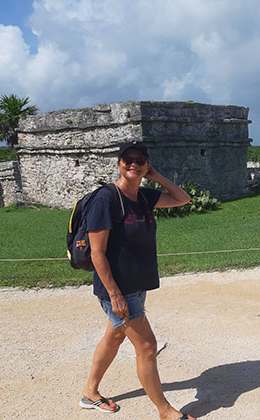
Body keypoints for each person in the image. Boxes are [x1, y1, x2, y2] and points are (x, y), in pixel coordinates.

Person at [79, 141, 197, 420]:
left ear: (146, 164)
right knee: (146, 346)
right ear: (119, 163)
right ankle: (165, 411)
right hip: (117, 288)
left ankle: (89, 393)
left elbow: (182, 198)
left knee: (115, 334)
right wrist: (115, 294)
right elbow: (97, 253)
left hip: (137, 283)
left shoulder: (144, 196)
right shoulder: (106, 199)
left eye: (140, 160)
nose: (133, 164)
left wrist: (154, 176)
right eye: (127, 159)